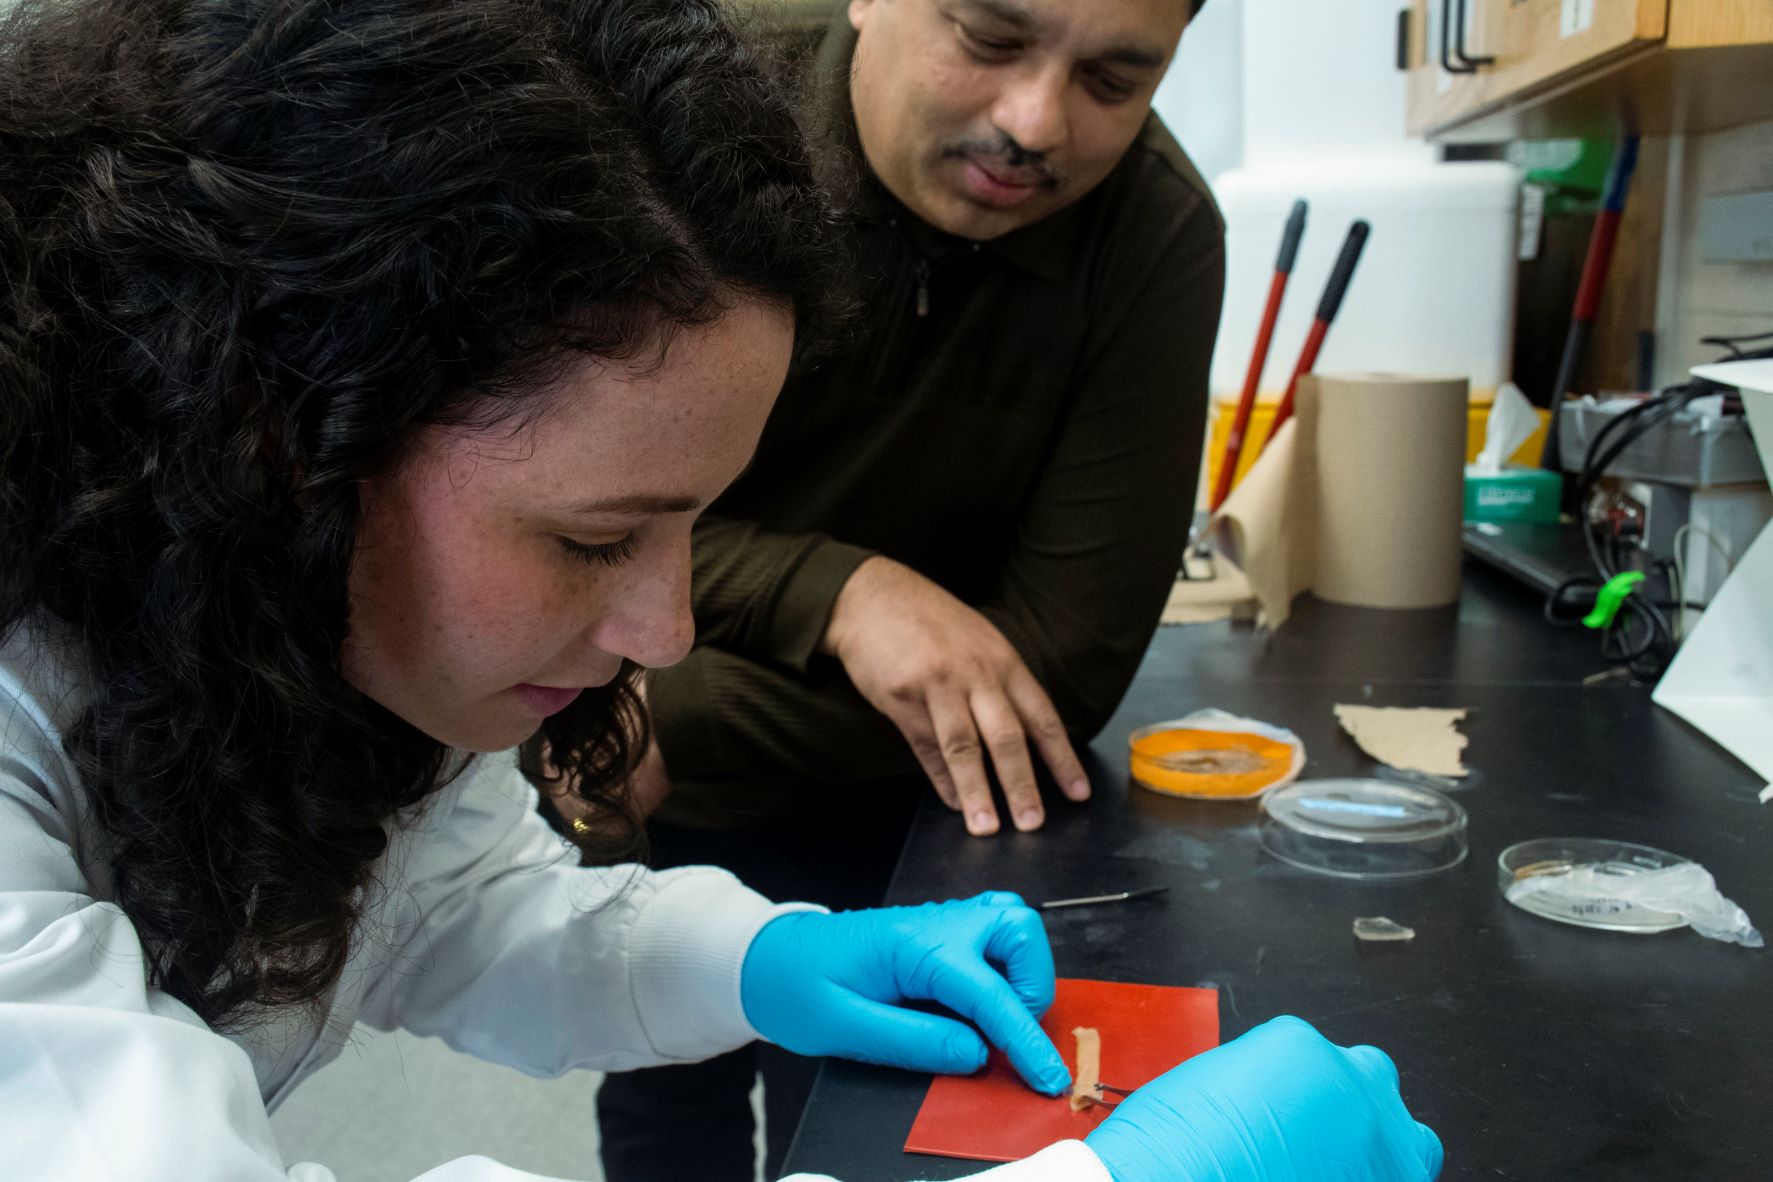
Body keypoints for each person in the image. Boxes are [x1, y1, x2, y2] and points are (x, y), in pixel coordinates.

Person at [0, 1, 1440, 1180]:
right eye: (590, 538)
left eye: (693, 525)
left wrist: (761, 955)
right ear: (275, 435)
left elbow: (445, 903)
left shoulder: (271, 598)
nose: (667, 632)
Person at [585, 1, 1229, 1176]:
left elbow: (1051, 674)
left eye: (1116, 81)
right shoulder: (661, 110)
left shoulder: (1156, 234)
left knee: (849, 1119)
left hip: (853, 793)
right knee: (661, 1093)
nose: (1034, 121)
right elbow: (567, 502)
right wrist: (837, 593)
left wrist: (677, 712)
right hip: (620, 740)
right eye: (987, 40)